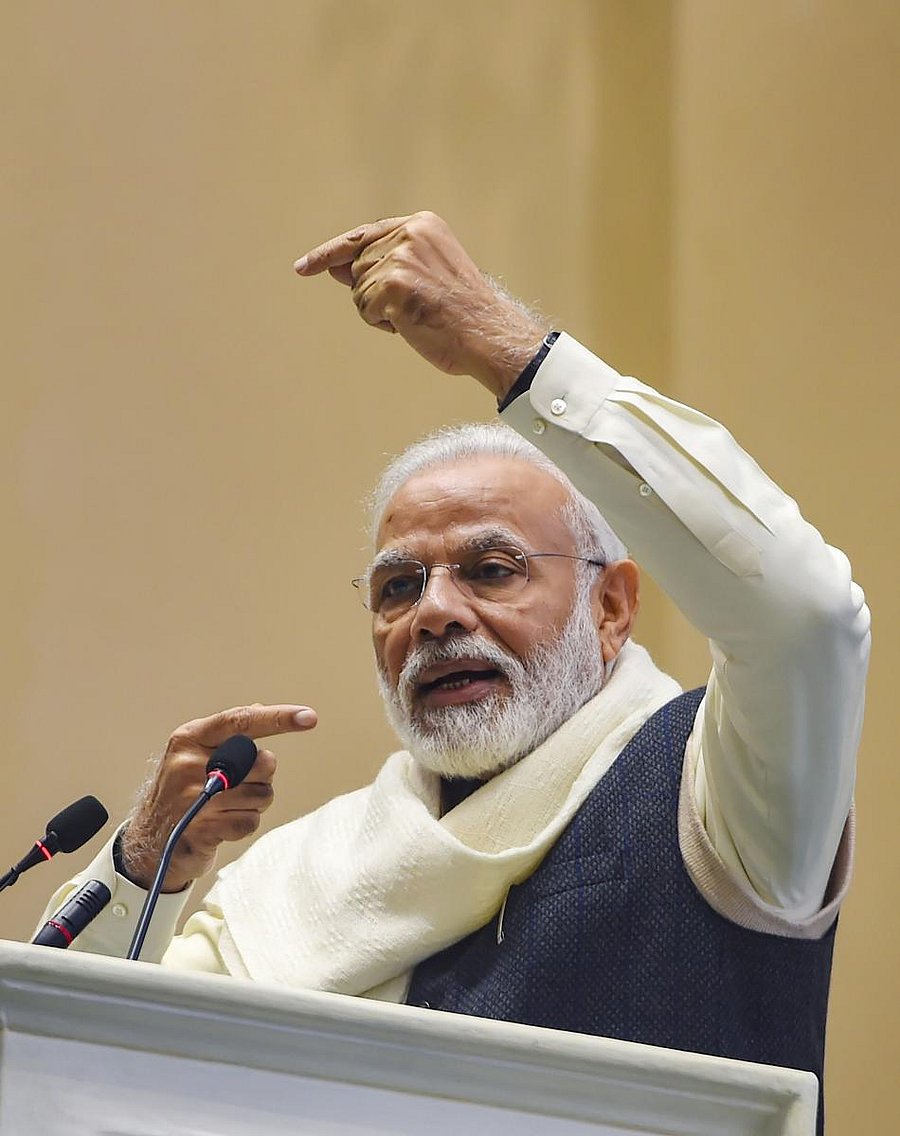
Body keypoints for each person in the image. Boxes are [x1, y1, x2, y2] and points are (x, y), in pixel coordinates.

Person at [41, 213, 869, 1128]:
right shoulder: (287, 885)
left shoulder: (716, 794)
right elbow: (77, 1075)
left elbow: (808, 617)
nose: (434, 613)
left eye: (491, 569)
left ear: (612, 608)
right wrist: (147, 866)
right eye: (398, 586)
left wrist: (507, 348)